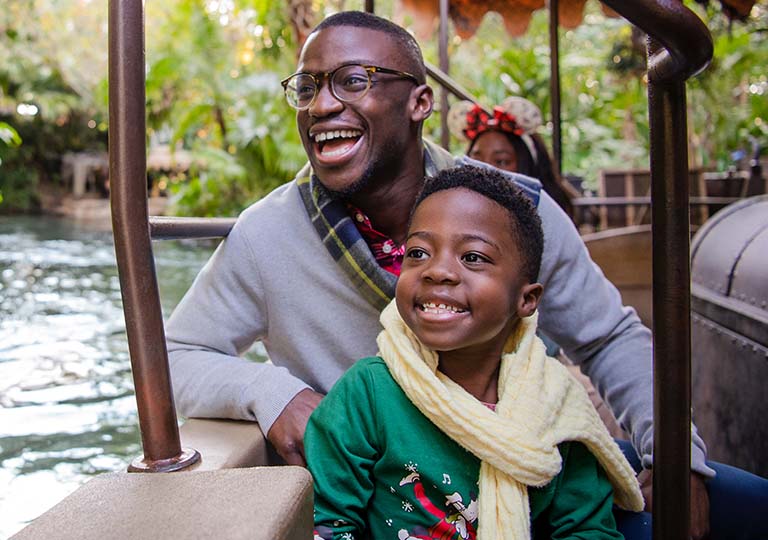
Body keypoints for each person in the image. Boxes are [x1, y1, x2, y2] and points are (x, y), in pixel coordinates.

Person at [165, 10, 766, 539]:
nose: (322, 105)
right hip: (393, 499)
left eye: (353, 80)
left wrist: (675, 456)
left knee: (746, 506)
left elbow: (607, 338)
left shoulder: (516, 210)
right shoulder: (266, 234)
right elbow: (171, 356)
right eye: (308, 86)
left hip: (534, 472)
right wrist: (272, 393)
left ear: (420, 103)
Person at [306, 164, 644, 539]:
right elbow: (328, 523)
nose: (437, 271)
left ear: (526, 299)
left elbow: (587, 531)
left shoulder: (556, 410)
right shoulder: (367, 395)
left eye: (472, 257)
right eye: (418, 252)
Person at [448, 97, 579, 218]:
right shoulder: (454, 211)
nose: (484, 170)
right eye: (475, 161)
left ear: (527, 165)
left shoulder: (551, 220)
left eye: (501, 161)